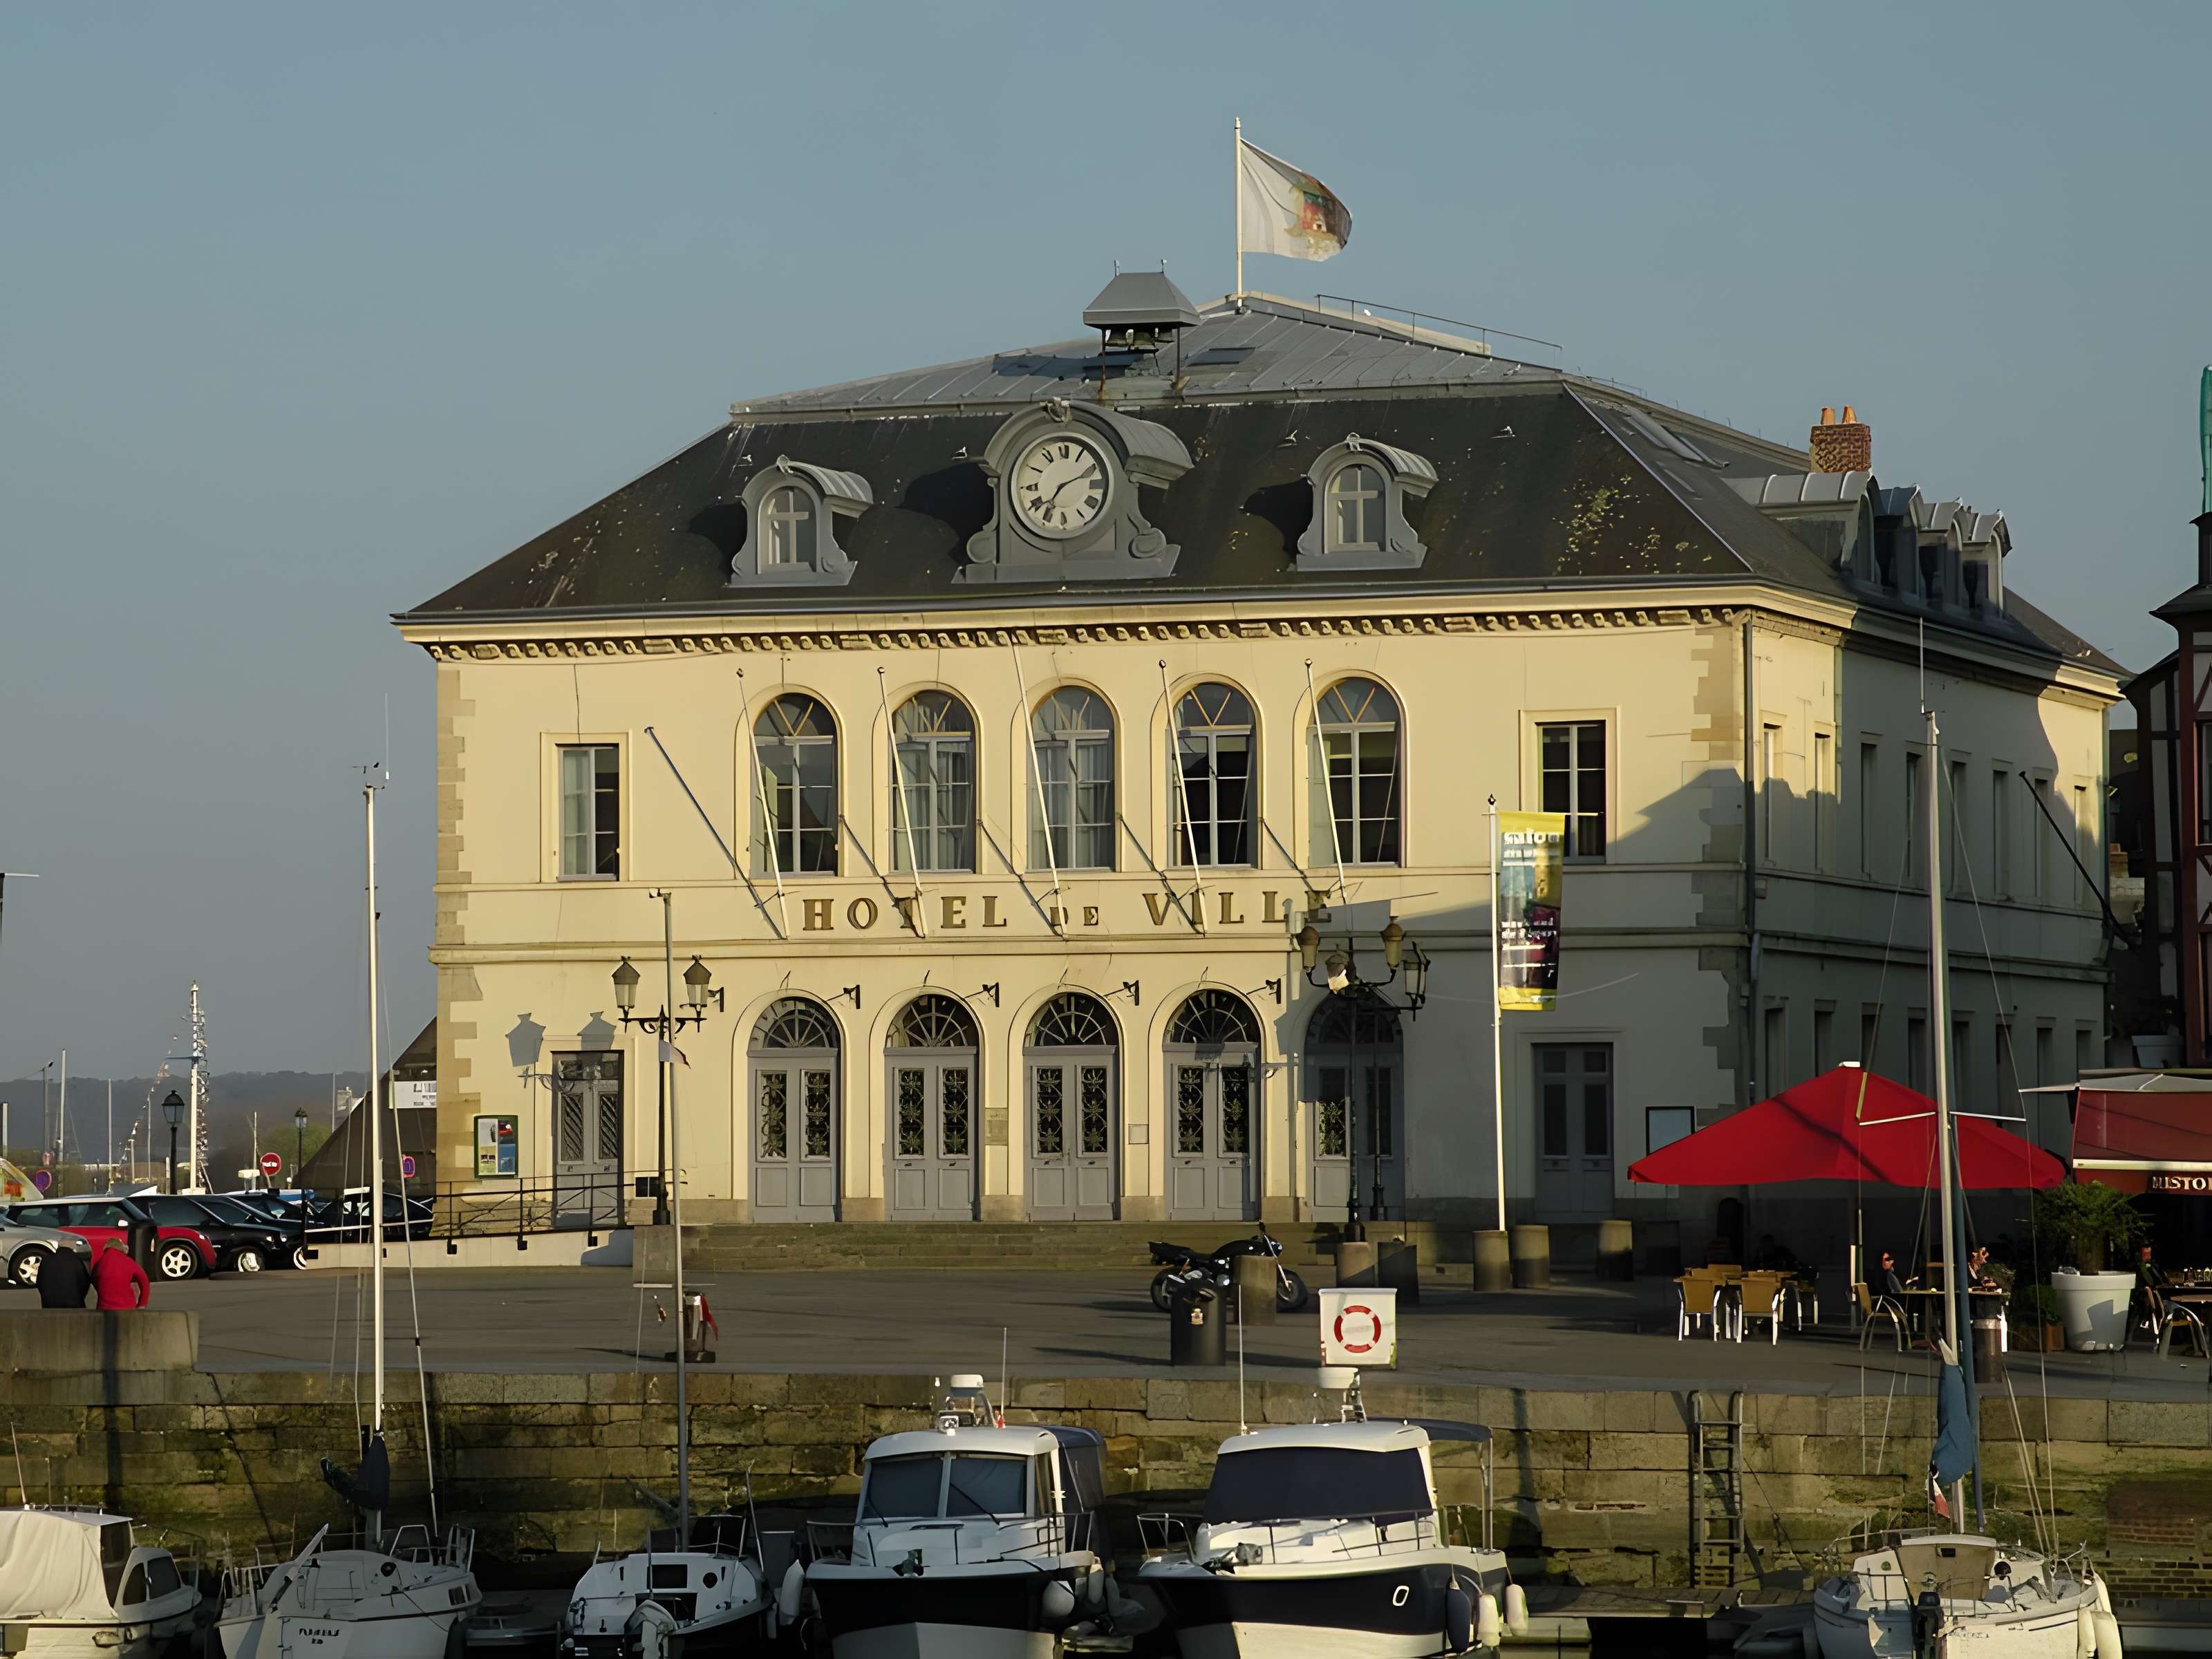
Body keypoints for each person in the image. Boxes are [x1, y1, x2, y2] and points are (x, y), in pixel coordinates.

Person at [91, 1239, 151, 1311]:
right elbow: (144, 1280)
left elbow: (93, 1279)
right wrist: (142, 1304)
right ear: (121, 1248)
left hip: (104, 1309)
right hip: (128, 1308)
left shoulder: (100, 1263)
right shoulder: (127, 1261)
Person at [36, 1245, 91, 1310]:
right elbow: (85, 1283)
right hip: (75, 1306)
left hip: (50, 1305)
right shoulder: (77, 1260)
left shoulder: (46, 1260)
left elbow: (39, 1283)